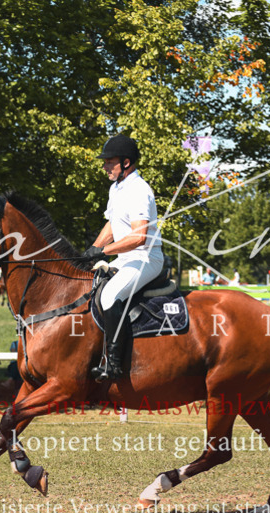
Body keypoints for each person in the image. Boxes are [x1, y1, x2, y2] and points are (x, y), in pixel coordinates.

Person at [79, 134, 163, 380]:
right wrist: (91, 251)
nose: (104, 166)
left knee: (110, 296)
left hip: (146, 259)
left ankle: (115, 365)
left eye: (109, 161)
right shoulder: (116, 188)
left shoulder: (139, 190)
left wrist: (103, 251)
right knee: (90, 287)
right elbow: (112, 225)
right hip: (125, 259)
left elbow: (139, 238)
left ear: (126, 162)